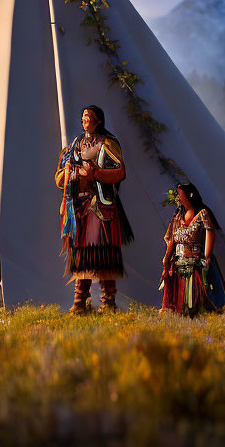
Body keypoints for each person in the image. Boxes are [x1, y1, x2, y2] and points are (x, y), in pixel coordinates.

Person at [55, 105, 134, 313]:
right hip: (78, 206)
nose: (84, 121)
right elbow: (59, 179)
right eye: (82, 117)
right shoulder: (74, 145)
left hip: (100, 205)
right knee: (81, 253)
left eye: (88, 117)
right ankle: (80, 302)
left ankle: (108, 301)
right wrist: (71, 174)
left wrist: (96, 173)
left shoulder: (107, 143)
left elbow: (120, 172)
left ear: (98, 120)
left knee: (103, 253)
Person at [161, 182, 225, 316]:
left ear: (189, 195)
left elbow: (210, 232)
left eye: (181, 195)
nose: (179, 198)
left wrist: (206, 256)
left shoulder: (203, 214)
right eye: (178, 195)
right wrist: (166, 259)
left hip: (196, 263)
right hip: (178, 263)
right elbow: (171, 239)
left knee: (198, 300)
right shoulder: (177, 217)